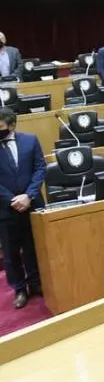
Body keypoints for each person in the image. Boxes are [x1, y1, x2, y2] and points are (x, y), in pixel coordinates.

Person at [0, 108, 45, 309]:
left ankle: (36, 284)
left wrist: (29, 195)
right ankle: (19, 289)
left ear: (12, 125)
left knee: (34, 247)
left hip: (33, 204)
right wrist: (12, 200)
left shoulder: (31, 140)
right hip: (5, 208)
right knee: (11, 252)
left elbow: (40, 168)